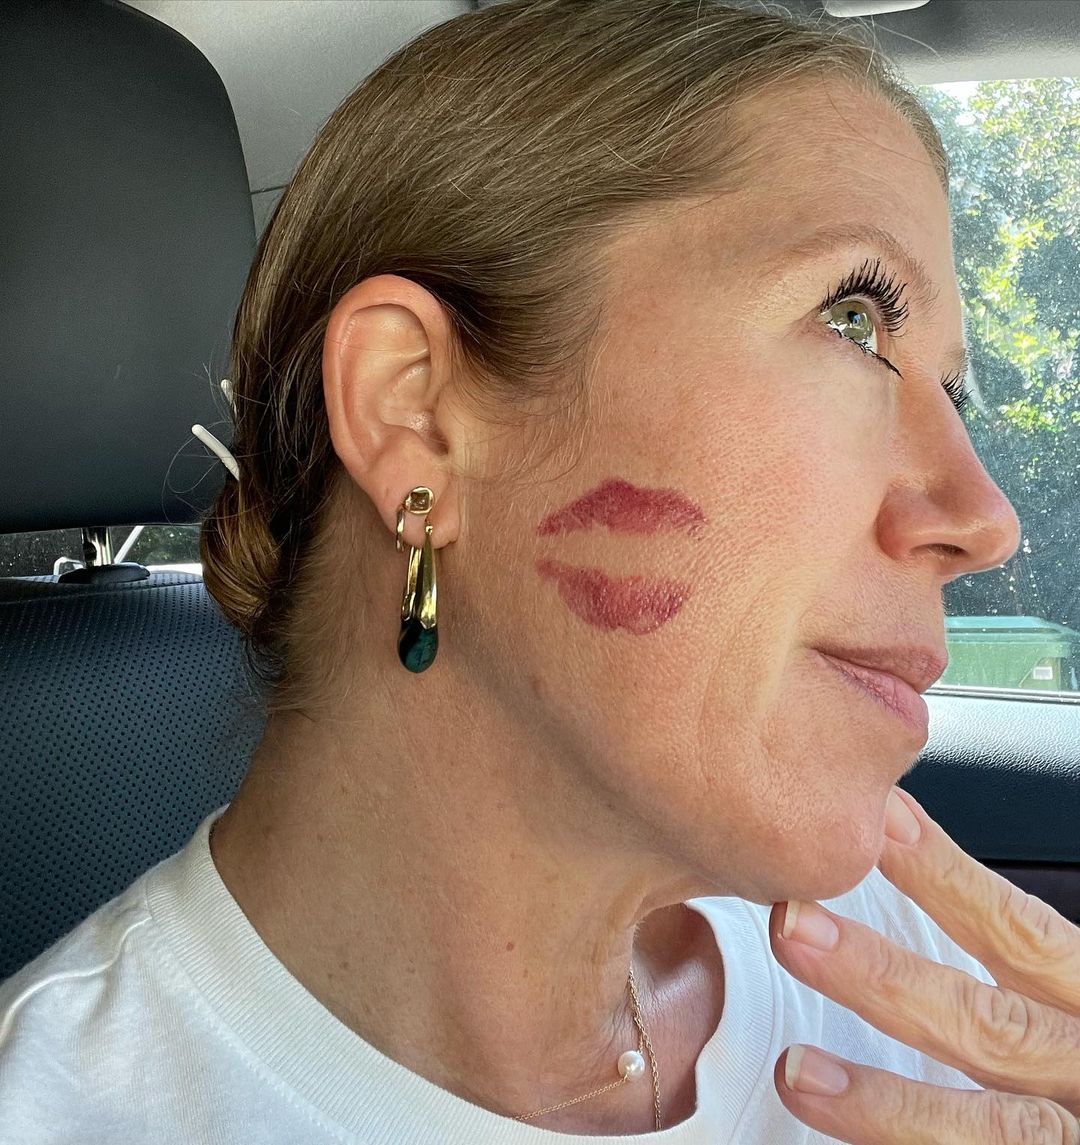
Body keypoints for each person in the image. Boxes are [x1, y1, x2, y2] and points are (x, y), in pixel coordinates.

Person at [8, 0, 1080, 1142]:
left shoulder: (926, 980)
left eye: (952, 395)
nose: (986, 519)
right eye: (854, 320)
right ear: (416, 415)